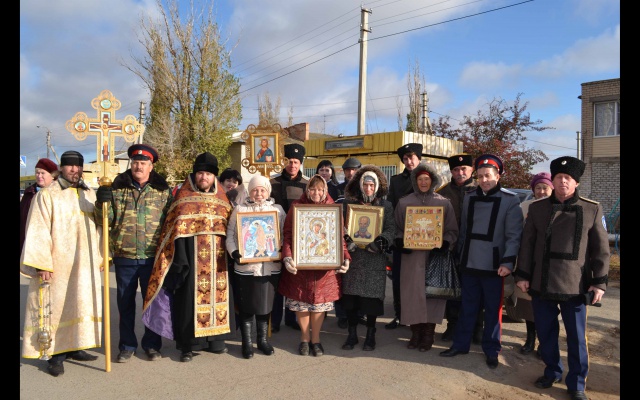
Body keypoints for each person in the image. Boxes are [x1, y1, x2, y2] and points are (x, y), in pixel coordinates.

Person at [514, 156, 609, 400]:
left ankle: (576, 383)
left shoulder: (591, 209)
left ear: (576, 182)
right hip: (541, 281)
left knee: (577, 338)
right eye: (559, 177)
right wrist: (522, 275)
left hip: (575, 285)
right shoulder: (537, 208)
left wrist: (599, 282)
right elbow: (527, 245)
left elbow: (600, 250)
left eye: (568, 178)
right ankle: (552, 371)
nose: (563, 182)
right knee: (546, 333)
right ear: (553, 181)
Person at [142, 152, 236, 362]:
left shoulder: (223, 201)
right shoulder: (183, 199)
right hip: (190, 261)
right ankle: (188, 345)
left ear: (214, 177)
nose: (204, 177)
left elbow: (233, 230)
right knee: (188, 301)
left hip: (219, 263)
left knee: (219, 297)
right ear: (194, 175)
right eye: (200, 173)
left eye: (208, 174)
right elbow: (173, 231)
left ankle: (215, 341)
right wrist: (181, 262)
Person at [20, 150, 103, 377]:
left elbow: (99, 228)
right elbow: (38, 230)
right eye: (70, 166)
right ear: (62, 168)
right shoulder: (48, 195)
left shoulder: (89, 194)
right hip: (58, 263)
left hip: (84, 262)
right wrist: (42, 264)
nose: (74, 170)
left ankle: (75, 346)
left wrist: (101, 256)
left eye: (78, 166)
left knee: (79, 303)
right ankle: (55, 354)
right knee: (56, 308)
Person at [440, 154, 523, 370]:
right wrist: (460, 255)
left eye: (488, 175)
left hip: (495, 266)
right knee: (467, 307)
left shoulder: (510, 200)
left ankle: (492, 350)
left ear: (498, 176)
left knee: (493, 311)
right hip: (469, 262)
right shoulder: (470, 197)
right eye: (480, 176)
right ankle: (461, 345)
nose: (484, 180)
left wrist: (508, 262)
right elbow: (465, 230)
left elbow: (514, 236)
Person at [94, 144, 172, 363]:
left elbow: (170, 222)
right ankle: (127, 345)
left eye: (143, 163)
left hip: (152, 258)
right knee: (125, 304)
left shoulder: (162, 191)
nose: (139, 166)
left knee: (152, 303)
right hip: (125, 257)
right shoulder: (117, 188)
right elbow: (104, 220)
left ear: (151, 166)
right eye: (136, 162)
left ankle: (152, 345)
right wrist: (101, 202)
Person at [278, 174, 351, 356]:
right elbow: (288, 235)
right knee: (301, 304)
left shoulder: (333, 209)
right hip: (301, 267)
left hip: (323, 269)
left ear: (325, 190)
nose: (316, 193)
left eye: (320, 189)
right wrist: (288, 257)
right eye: (312, 189)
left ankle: (316, 339)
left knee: (319, 304)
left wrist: (345, 258)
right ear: (307, 190)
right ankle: (304, 338)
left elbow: (339, 238)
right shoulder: (297, 207)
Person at [394, 162, 459, 352]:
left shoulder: (443, 203)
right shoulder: (404, 203)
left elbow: (452, 230)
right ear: (415, 181)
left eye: (427, 179)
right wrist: (400, 242)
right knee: (412, 295)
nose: (423, 182)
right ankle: (415, 332)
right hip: (412, 258)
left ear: (433, 180)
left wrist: (445, 244)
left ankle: (428, 334)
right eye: (420, 179)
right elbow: (397, 228)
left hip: (434, 258)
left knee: (433, 296)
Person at [226, 174, 286, 359]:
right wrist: (234, 252)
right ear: (249, 192)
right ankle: (247, 342)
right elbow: (230, 235)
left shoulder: (277, 210)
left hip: (270, 267)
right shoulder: (240, 210)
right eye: (255, 190)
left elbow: (285, 233)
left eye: (262, 190)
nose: (259, 194)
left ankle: (262, 340)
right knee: (246, 306)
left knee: (265, 305)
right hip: (246, 268)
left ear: (268, 192)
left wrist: (281, 249)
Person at [340, 165, 396, 351]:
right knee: (351, 300)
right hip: (354, 259)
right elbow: (341, 226)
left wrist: (380, 242)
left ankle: (370, 335)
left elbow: (391, 229)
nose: (368, 188)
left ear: (377, 186)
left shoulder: (386, 206)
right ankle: (352, 334)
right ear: (360, 185)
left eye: (372, 185)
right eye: (365, 184)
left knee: (372, 301)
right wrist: (348, 239)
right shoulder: (349, 205)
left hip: (374, 259)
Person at [436, 154, 483, 344]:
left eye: (464, 169)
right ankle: (452, 326)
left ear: (471, 170)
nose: (460, 172)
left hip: (476, 248)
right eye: (456, 170)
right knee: (452, 290)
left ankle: (477, 327)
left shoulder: (481, 189)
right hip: (451, 248)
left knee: (475, 291)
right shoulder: (443, 193)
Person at [509, 172, 554, 356]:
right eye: (538, 188)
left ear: (552, 189)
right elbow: (516, 234)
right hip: (527, 263)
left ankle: (545, 343)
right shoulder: (524, 207)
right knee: (529, 306)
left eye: (545, 188)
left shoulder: (557, 207)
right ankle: (530, 339)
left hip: (550, 266)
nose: (541, 191)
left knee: (548, 308)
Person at [269, 143, 308, 332]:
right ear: (284, 162)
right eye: (289, 161)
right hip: (274, 238)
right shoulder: (271, 183)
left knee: (293, 279)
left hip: (296, 239)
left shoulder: (307, 185)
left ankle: (292, 318)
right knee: (277, 280)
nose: (292, 165)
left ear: (300, 163)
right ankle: (275, 320)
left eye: (296, 162)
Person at [385, 143, 423, 329]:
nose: (409, 162)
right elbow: (390, 207)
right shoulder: (396, 181)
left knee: (418, 281)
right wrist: (394, 235)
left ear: (419, 158)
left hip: (422, 236)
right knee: (399, 279)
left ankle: (418, 318)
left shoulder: (427, 178)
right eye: (405, 159)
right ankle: (400, 315)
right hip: (401, 236)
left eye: (412, 157)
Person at [334, 156, 362, 327]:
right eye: (347, 170)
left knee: (358, 278)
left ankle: (359, 313)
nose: (351, 173)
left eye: (354, 170)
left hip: (361, 239)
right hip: (340, 239)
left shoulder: (365, 188)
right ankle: (341, 315)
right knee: (341, 279)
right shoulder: (337, 189)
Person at [20, 158, 59, 256]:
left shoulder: (59, 194)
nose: (39, 176)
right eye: (37, 173)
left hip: (51, 245)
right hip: (28, 242)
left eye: (43, 173)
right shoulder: (29, 192)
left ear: (53, 176)